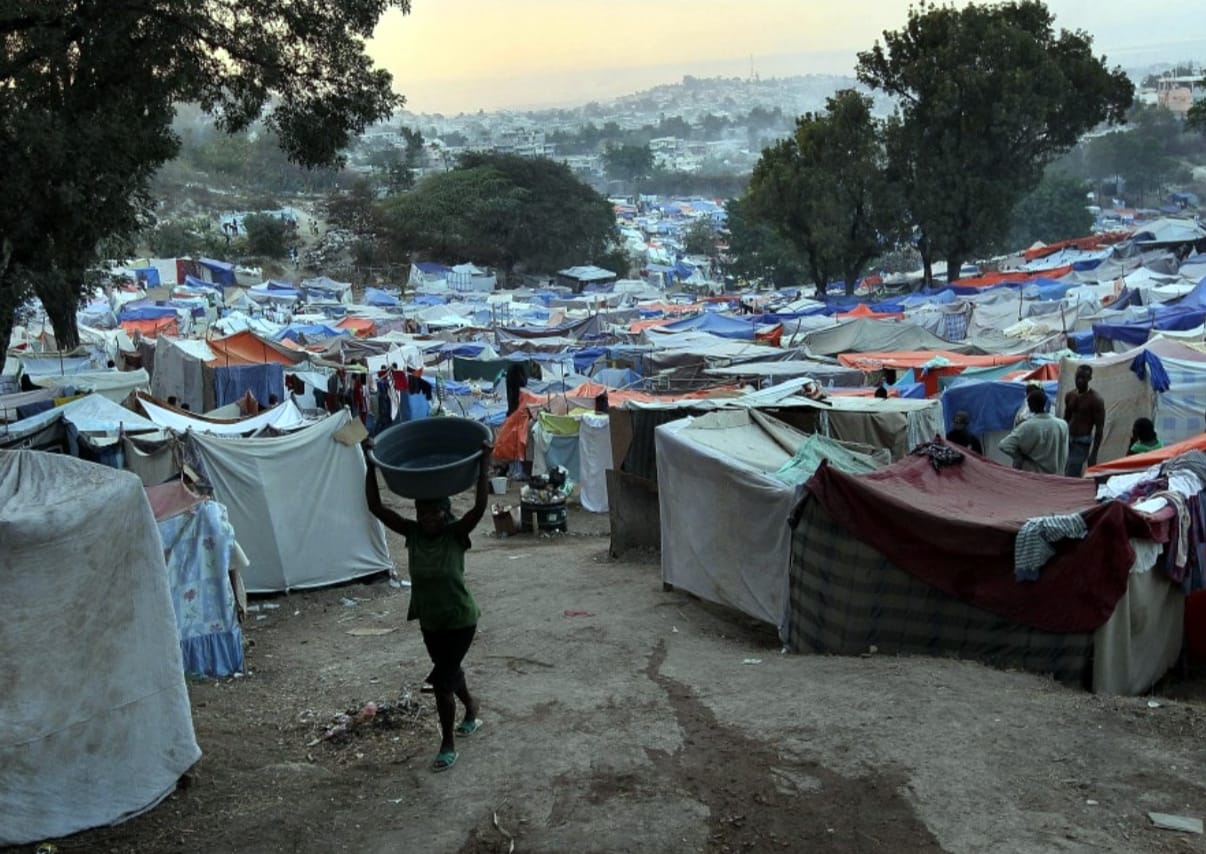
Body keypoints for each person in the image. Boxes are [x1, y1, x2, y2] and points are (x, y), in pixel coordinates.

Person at [363, 438, 492, 773]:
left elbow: (479, 508)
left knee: (441, 681)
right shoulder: (413, 534)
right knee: (448, 672)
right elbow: (376, 507)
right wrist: (370, 463)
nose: (428, 519)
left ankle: (447, 744)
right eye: (422, 513)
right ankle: (472, 708)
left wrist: (484, 462)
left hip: (460, 619)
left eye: (434, 512)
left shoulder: (455, 534)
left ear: (445, 513)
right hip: (430, 621)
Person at [999, 388, 1069, 475]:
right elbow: (1065, 453)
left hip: (1034, 475)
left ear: (1030, 405)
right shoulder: (1062, 424)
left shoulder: (1027, 426)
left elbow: (1004, 445)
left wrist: (1019, 457)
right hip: (1056, 477)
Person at [1063, 364, 1105, 476]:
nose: (1079, 381)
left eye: (1083, 378)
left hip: (1082, 441)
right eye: (1078, 377)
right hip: (1068, 439)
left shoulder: (1095, 400)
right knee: (1065, 470)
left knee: (1071, 472)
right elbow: (1066, 419)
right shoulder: (1070, 395)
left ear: (1089, 379)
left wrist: (1094, 453)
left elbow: (1099, 428)